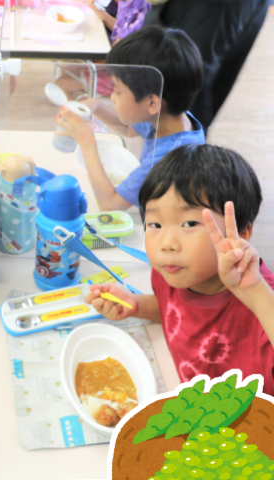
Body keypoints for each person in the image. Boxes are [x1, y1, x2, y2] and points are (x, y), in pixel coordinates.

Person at [85, 144, 274, 394]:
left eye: (189, 223)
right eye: (155, 224)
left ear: (240, 233)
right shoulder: (172, 271)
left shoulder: (261, 302)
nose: (167, 244)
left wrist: (254, 292)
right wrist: (137, 305)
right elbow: (174, 309)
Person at [56, 25, 205, 210]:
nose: (112, 97)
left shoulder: (168, 160)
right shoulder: (171, 118)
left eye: (118, 91)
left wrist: (86, 141)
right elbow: (128, 128)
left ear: (152, 103)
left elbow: (110, 205)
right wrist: (97, 106)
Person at [143, 0, 269, 135]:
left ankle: (181, 151)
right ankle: (186, 149)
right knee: (196, 91)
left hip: (209, 7)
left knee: (180, 91)